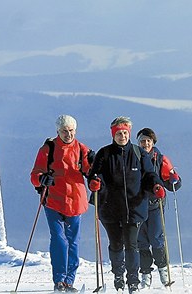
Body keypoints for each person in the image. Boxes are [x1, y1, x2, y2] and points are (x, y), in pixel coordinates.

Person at [87, 117, 165, 293]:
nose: (122, 136)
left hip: (134, 207)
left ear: (128, 133)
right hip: (110, 207)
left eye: (125, 133)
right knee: (116, 244)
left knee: (131, 244)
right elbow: (94, 174)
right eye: (119, 133)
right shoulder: (104, 153)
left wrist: (156, 185)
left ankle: (133, 281)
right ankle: (118, 276)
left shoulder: (139, 153)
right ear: (113, 134)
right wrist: (95, 182)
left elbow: (149, 175)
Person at [30, 114, 93, 292]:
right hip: (53, 200)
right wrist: (42, 179)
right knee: (59, 240)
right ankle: (59, 280)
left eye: (71, 130)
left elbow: (90, 172)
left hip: (76, 201)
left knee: (73, 241)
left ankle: (69, 281)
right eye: (65, 131)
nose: (68, 134)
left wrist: (95, 175)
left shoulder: (82, 149)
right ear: (58, 131)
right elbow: (34, 175)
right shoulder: (48, 149)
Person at [135, 128, 182, 288]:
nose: (146, 143)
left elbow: (171, 182)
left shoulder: (160, 159)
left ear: (153, 142)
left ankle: (163, 272)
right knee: (141, 241)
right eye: (143, 141)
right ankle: (145, 275)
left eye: (148, 140)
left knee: (156, 239)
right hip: (138, 205)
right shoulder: (133, 157)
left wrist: (175, 180)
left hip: (155, 205)